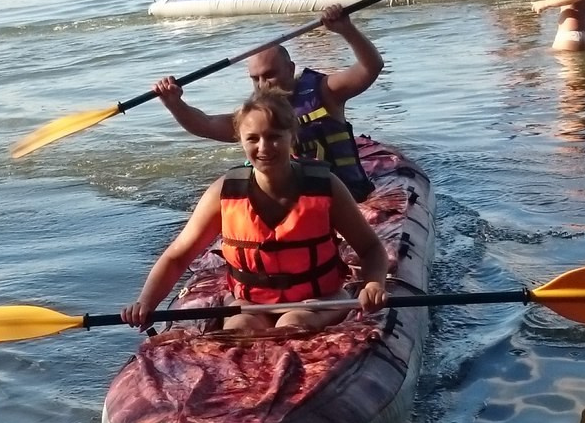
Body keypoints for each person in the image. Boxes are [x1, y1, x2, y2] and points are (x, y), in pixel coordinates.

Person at [121, 91, 390, 334]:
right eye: (253, 138)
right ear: (240, 141)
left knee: (293, 324)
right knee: (240, 328)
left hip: (320, 300)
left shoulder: (325, 185)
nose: (263, 147)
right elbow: (178, 257)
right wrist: (146, 303)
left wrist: (374, 284)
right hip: (250, 304)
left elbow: (370, 248)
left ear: (291, 136)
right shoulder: (223, 192)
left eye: (274, 136)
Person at [151, 4, 381, 199]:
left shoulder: (325, 92)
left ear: (290, 69)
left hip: (347, 197)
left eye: (270, 74)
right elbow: (205, 124)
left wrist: (347, 30)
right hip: (289, 202)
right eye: (255, 78)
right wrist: (174, 103)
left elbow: (370, 67)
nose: (263, 84)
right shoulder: (254, 115)